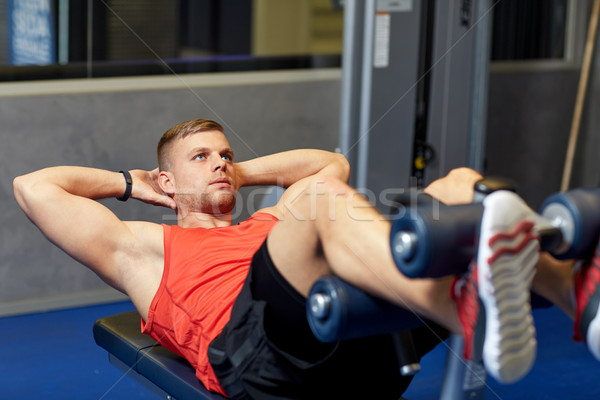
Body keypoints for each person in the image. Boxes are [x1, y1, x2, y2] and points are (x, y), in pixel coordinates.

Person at [13, 118, 600, 399]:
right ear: (166, 178)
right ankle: (467, 310)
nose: (220, 161)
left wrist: (237, 172)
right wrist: (131, 183)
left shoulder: (269, 224)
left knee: (462, 186)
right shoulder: (143, 248)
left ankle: (583, 302)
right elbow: (33, 187)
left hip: (339, 328)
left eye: (226, 154)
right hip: (254, 353)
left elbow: (330, 164)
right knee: (323, 203)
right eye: (202, 157)